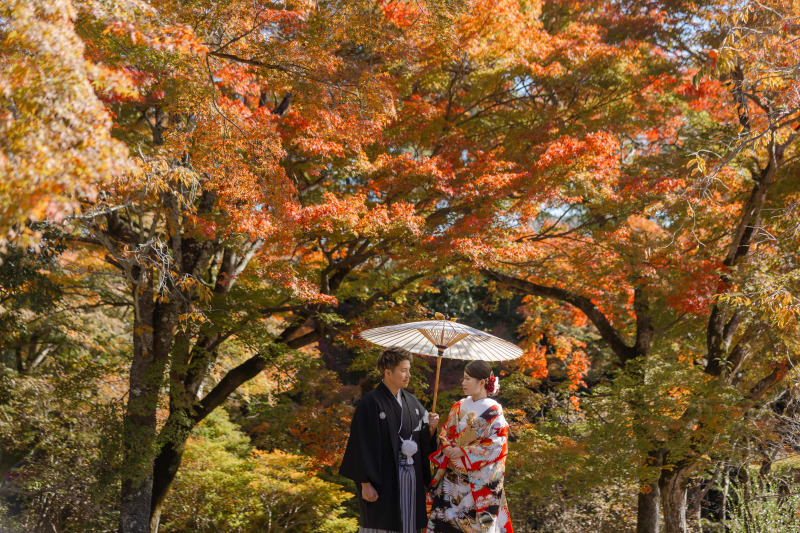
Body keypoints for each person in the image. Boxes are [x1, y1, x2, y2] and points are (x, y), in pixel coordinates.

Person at [339, 347, 441, 533]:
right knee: (381, 525)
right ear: (388, 372)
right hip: (382, 480)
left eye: (409, 370)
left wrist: (431, 428)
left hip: (411, 478)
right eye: (403, 370)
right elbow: (360, 444)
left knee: (408, 524)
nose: (408, 375)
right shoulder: (370, 402)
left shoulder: (412, 402)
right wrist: (365, 483)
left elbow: (423, 441)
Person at [425, 360, 513, 533]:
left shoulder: (493, 410)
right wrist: (446, 446)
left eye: (467, 379)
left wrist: (463, 452)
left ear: (482, 382)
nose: (463, 382)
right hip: (451, 480)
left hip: (476, 483)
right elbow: (445, 432)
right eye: (463, 378)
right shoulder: (458, 406)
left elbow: (497, 445)